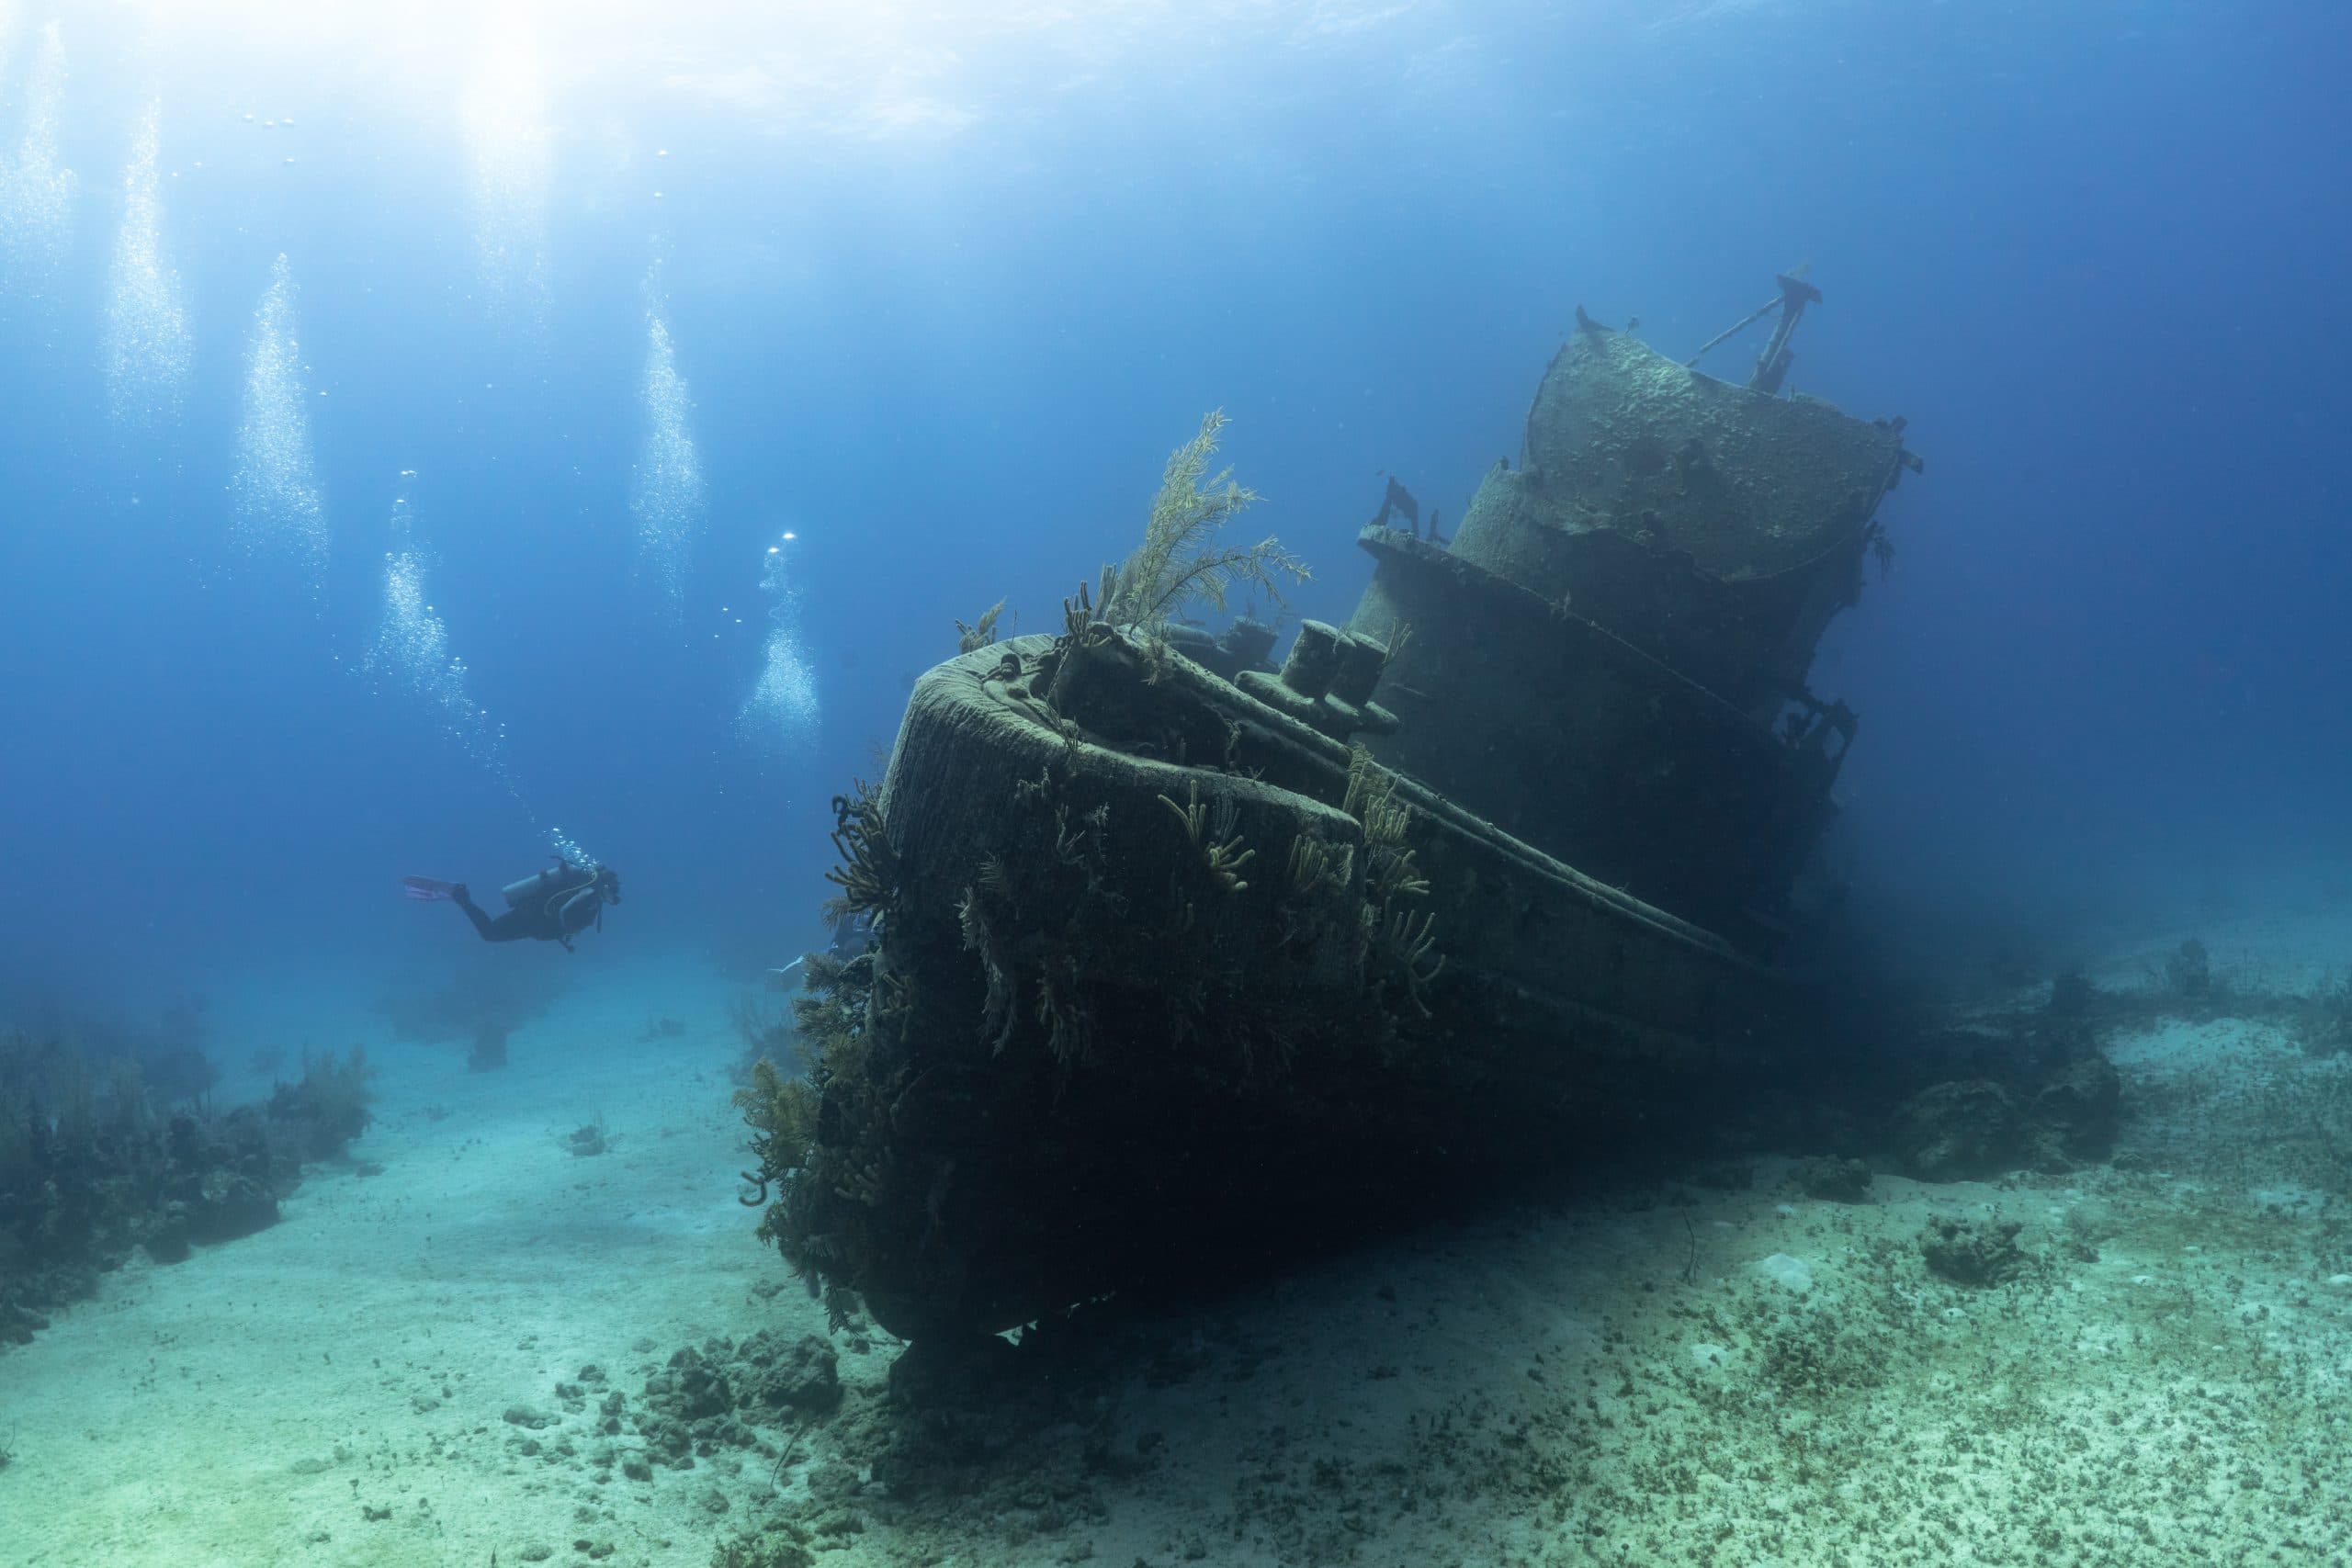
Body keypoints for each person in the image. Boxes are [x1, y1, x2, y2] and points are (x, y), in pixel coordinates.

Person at [404, 856, 622, 953]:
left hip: (532, 918)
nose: (613, 897)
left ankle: (459, 895)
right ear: (605, 887)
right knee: (488, 934)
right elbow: (566, 913)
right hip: (531, 920)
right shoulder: (587, 895)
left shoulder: (586, 891)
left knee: (489, 934)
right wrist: (571, 929)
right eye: (613, 892)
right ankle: (460, 895)